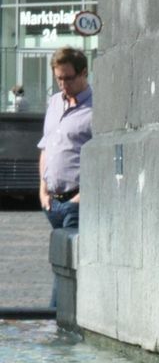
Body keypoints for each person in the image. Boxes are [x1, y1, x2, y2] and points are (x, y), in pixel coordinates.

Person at [38, 47, 92, 234]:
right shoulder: (54, 102)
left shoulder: (97, 106)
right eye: (58, 79)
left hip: (79, 202)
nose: (63, 84)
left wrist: (79, 198)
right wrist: (43, 190)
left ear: (83, 73)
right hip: (52, 203)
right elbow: (46, 147)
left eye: (68, 78)